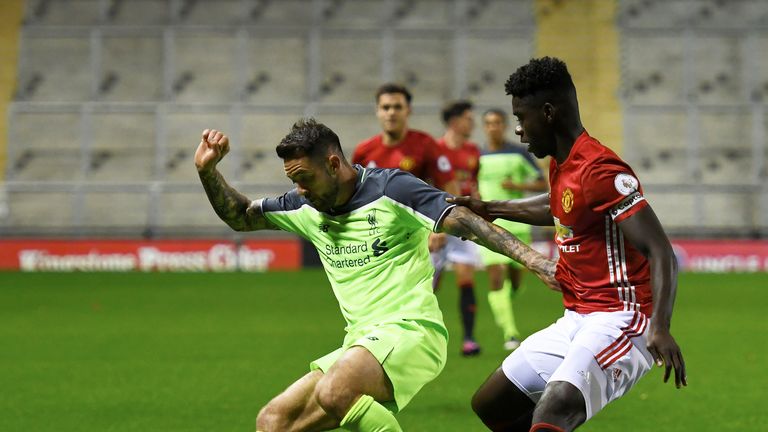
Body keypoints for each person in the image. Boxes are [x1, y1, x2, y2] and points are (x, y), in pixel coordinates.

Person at [194, 118, 557, 432]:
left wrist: (536, 261)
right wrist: (208, 172)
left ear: (333, 164)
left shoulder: (391, 189)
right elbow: (241, 215)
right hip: (359, 343)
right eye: (295, 181)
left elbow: (466, 222)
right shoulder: (304, 205)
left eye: (305, 178)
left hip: (412, 332)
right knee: (273, 421)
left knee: (335, 391)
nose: (300, 190)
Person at [451, 57, 687, 432]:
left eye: (521, 117)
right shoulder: (563, 163)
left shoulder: (601, 170)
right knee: (493, 404)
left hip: (624, 318)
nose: (518, 130)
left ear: (548, 113)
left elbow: (660, 251)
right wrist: (492, 208)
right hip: (576, 317)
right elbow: (560, 205)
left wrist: (660, 326)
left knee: (556, 407)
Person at [478, 108, 548, 351]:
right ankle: (510, 332)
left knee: (516, 281)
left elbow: (542, 182)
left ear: (504, 126)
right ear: (484, 127)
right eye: (489, 123)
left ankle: (504, 302)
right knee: (496, 277)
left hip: (517, 224)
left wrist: (516, 185)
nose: (493, 127)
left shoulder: (518, 153)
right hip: (489, 224)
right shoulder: (477, 156)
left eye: (497, 122)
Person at [430, 100, 484, 356]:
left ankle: (469, 339)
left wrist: (479, 205)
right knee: (427, 285)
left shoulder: (473, 151)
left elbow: (473, 185)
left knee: (466, 278)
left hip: (463, 222)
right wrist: (434, 228)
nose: (472, 123)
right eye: (468, 118)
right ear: (454, 121)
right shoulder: (435, 150)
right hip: (436, 225)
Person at [351, 83, 444, 185]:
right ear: (377, 111)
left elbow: (448, 187)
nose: (391, 113)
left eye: (398, 107)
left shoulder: (426, 144)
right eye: (386, 107)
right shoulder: (363, 151)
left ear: (408, 110)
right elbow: (353, 189)